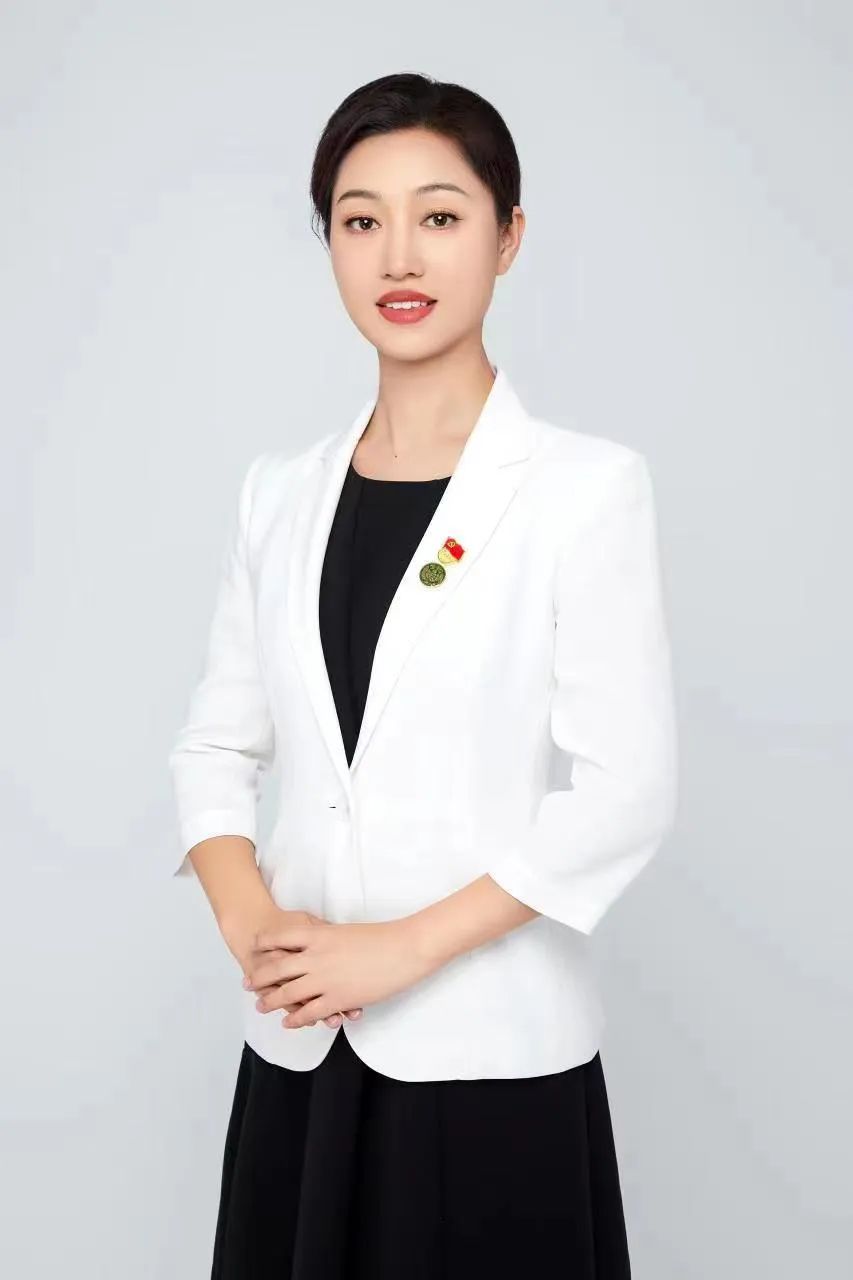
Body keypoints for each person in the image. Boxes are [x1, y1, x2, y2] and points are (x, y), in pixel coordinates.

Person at [168, 71, 678, 1280]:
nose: (398, 254)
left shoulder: (582, 488)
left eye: (439, 215)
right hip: (300, 1053)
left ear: (507, 236)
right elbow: (214, 746)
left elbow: (625, 791)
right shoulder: (279, 493)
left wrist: (395, 949)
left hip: (490, 1062)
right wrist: (262, 935)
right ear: (330, 243)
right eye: (360, 219)